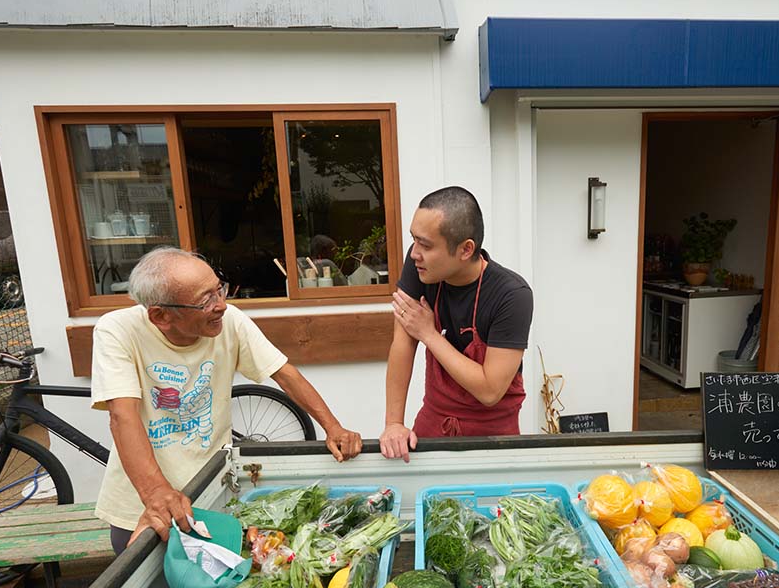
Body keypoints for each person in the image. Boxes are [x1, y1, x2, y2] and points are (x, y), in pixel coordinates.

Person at [92, 247, 362, 553]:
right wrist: (156, 493)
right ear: (161, 315)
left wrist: (333, 427)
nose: (221, 305)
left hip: (212, 494)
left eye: (219, 289)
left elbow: (283, 372)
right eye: (205, 300)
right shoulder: (118, 330)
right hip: (145, 508)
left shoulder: (229, 320)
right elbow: (122, 416)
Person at [379, 186, 533, 461]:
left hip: (493, 432)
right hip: (434, 420)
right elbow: (402, 342)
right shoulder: (420, 268)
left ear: (466, 249)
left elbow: (490, 390)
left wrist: (430, 334)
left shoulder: (512, 295)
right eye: (413, 240)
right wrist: (393, 423)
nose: (415, 253)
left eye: (425, 245)